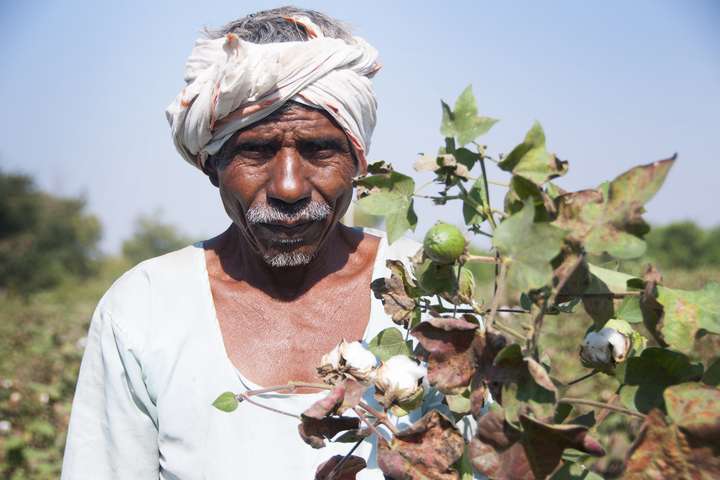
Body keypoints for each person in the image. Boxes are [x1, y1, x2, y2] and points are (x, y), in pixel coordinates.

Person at [60, 7, 423, 479]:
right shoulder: (145, 308)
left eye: (318, 149)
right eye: (255, 150)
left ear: (356, 160)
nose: (289, 188)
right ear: (212, 164)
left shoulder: (425, 288)